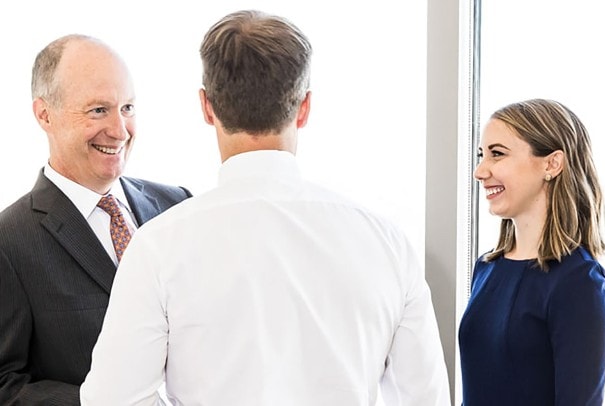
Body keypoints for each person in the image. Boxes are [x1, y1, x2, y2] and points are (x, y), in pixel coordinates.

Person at [79, 10, 449, 406]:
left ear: (206, 107)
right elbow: (425, 399)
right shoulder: (387, 243)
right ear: (304, 108)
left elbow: (112, 400)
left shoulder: (157, 246)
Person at [0, 34, 193, 405]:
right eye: (98, 110)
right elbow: (4, 384)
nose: (120, 131)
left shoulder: (177, 206)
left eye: (128, 108)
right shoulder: (9, 243)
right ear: (44, 114)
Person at [459, 98, 605, 405]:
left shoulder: (578, 281)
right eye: (482, 155)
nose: (480, 171)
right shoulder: (486, 269)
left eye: (497, 154)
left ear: (551, 163)